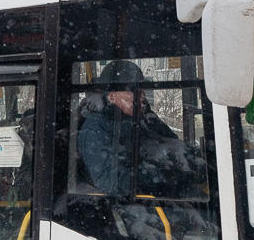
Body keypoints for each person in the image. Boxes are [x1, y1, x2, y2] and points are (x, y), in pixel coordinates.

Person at [78, 60, 204, 198]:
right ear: (112, 96)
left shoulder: (145, 118)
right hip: (134, 208)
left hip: (170, 196)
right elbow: (110, 180)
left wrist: (197, 162)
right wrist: (160, 177)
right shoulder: (95, 129)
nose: (142, 96)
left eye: (142, 90)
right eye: (133, 91)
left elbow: (173, 145)